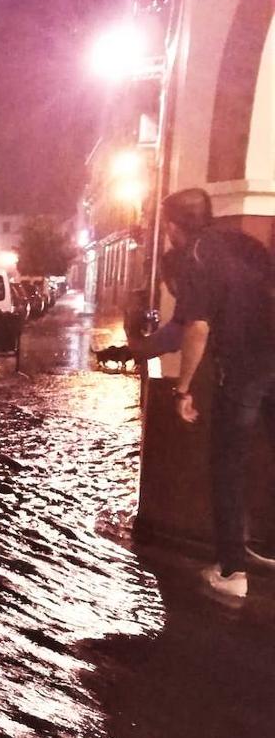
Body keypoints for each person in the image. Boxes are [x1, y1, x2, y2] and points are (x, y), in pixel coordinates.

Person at [157, 188, 275, 600]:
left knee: (228, 466)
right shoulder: (243, 242)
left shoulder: (195, 256)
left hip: (242, 371)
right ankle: (262, 548)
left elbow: (197, 327)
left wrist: (183, 388)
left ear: (173, 225)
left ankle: (231, 572)